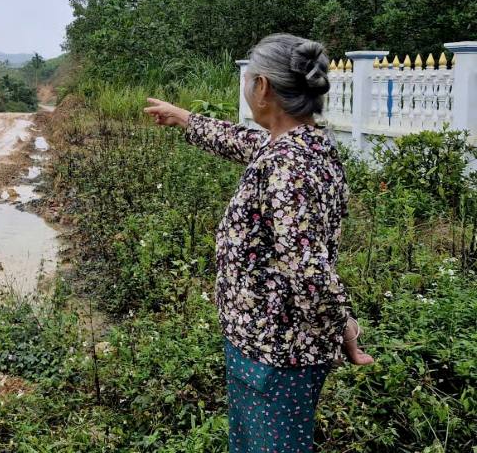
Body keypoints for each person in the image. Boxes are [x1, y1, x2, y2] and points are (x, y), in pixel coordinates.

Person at [145, 34, 373, 453]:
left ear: (263, 88)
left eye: (249, 79)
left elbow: (308, 269)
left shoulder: (286, 167)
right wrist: (185, 118)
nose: (247, 87)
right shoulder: (304, 145)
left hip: (276, 353)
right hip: (265, 346)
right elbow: (246, 142)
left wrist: (345, 325)